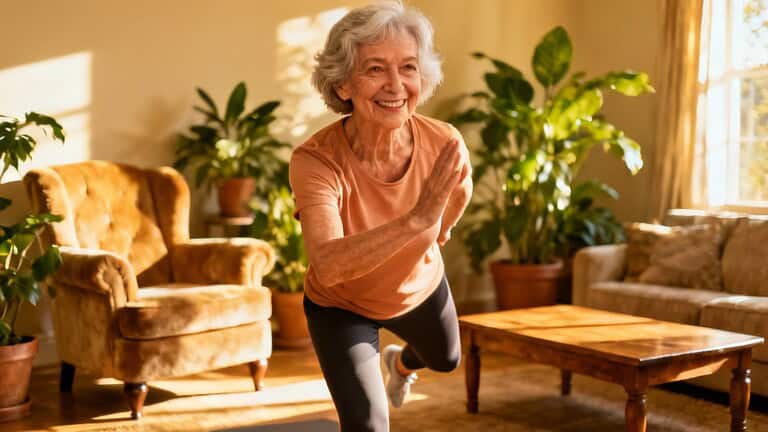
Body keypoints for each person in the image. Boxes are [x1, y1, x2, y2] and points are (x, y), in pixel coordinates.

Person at [289, 1, 472, 430]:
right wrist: (417, 220)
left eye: (408, 67)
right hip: (342, 305)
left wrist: (440, 231)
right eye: (374, 69)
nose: (395, 85)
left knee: (446, 359)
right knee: (369, 425)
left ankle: (401, 365)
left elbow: (460, 190)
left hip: (417, 288)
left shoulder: (444, 141)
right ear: (343, 85)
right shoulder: (316, 161)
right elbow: (329, 265)